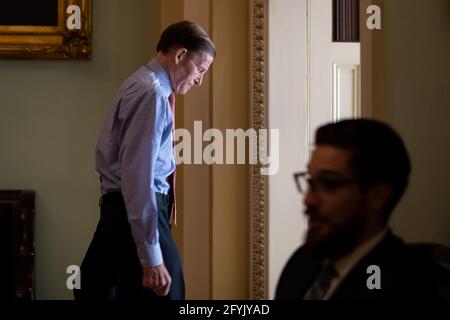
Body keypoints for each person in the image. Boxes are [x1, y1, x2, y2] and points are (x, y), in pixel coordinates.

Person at [74, 21, 215, 300]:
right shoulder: (151, 94)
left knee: (92, 288)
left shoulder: (140, 84)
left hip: (118, 210)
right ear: (180, 56)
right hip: (133, 210)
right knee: (168, 291)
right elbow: (138, 180)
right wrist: (151, 257)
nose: (199, 79)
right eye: (200, 69)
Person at [276, 119, 444, 300]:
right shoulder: (302, 262)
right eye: (310, 181)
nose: (309, 200)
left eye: (329, 184)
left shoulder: (404, 285)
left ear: (377, 196)